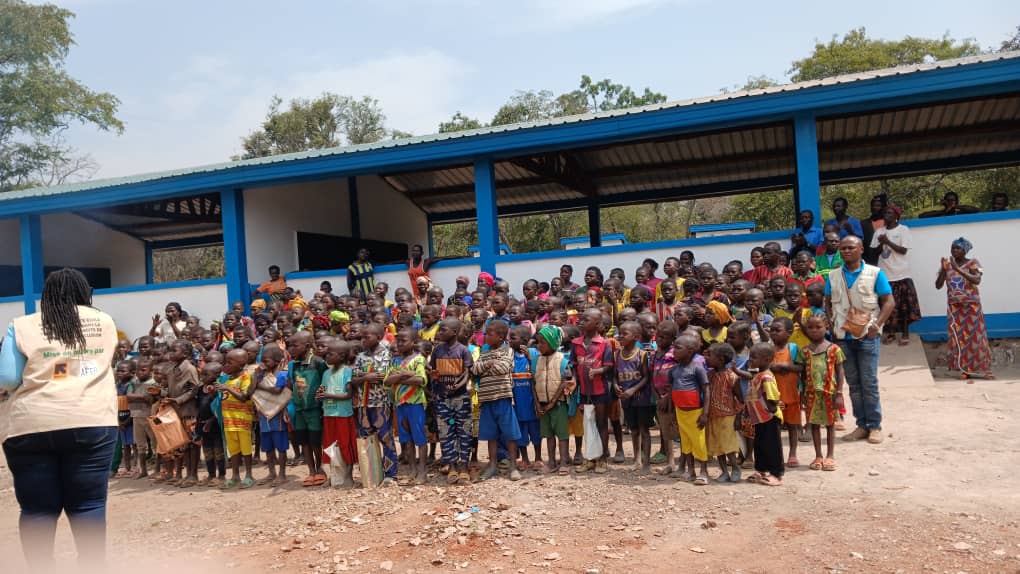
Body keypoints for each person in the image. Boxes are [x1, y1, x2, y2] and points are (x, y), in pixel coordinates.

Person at [0, 269, 119, 570]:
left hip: (31, 424)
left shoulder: (22, 325)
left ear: (47, 295)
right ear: (84, 292)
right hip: (92, 419)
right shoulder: (103, 321)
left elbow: (8, 378)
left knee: (37, 508)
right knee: (88, 505)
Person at [825, 235, 894, 445]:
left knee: (869, 382)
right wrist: (830, 323)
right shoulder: (833, 275)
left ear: (861, 249)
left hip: (866, 336)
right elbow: (827, 302)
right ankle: (861, 425)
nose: (846, 251)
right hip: (843, 336)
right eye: (843, 248)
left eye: (850, 248)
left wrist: (877, 325)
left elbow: (889, 302)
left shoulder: (875, 273)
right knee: (854, 384)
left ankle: (875, 426)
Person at [936, 237, 994, 380]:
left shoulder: (973, 263)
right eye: (952, 247)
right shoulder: (947, 265)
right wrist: (944, 270)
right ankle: (964, 369)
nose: (954, 250)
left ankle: (984, 369)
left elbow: (977, 280)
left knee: (977, 337)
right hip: (955, 308)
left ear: (965, 250)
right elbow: (938, 285)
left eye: (958, 248)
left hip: (972, 306)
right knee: (959, 338)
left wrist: (957, 269)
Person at [471, 320, 522, 481]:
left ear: (500, 337)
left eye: (490, 334)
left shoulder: (508, 351)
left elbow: (503, 368)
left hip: (503, 398)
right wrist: (490, 364)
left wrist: (485, 368)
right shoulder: (484, 352)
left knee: (510, 434)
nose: (486, 336)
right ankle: (492, 465)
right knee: (490, 435)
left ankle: (513, 466)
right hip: (486, 400)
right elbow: (474, 369)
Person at [796, 314, 846, 472]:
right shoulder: (805, 351)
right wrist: (802, 392)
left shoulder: (834, 349)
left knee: (830, 424)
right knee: (815, 424)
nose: (814, 330)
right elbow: (803, 374)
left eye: (818, 327)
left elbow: (840, 371)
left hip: (829, 393)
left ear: (826, 327)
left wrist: (839, 393)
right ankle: (818, 455)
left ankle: (830, 455)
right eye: (810, 327)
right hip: (812, 394)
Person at [569, 308, 615, 474]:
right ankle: (590, 458)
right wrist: (573, 378)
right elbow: (573, 365)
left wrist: (598, 371)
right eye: (581, 319)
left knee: (601, 423)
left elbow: (609, 367)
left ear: (596, 324)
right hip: (584, 391)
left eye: (586, 319)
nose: (581, 321)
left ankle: (602, 459)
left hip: (600, 390)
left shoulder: (604, 344)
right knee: (587, 424)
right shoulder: (576, 343)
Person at [428, 318, 474, 485]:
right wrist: (435, 379)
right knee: (446, 432)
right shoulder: (437, 351)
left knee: (464, 431)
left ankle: (464, 465)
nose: (439, 333)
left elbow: (467, 374)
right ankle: (452, 465)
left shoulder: (463, 351)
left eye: (443, 330)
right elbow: (434, 372)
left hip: (461, 398)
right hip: (442, 398)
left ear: (454, 332)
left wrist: (457, 386)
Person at [352, 323, 398, 484]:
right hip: (363, 405)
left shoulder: (388, 355)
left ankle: (390, 474)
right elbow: (354, 379)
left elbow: (387, 376)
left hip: (381, 403)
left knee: (385, 437)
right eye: (362, 337)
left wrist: (368, 376)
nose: (363, 340)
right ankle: (372, 473)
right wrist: (366, 377)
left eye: (367, 337)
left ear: (379, 337)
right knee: (367, 438)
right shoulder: (360, 357)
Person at [870, 205, 920, 346]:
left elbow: (903, 250)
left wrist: (887, 241)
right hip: (885, 275)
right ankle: (890, 333)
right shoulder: (879, 232)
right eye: (885, 212)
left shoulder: (903, 230)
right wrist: (881, 243)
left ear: (897, 215)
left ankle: (905, 333)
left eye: (889, 212)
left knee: (904, 306)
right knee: (887, 306)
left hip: (902, 274)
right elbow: (874, 253)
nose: (886, 215)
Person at [385, 328, 429, 484]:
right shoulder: (395, 361)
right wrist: (404, 375)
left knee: (420, 438)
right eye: (398, 341)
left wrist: (398, 377)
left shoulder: (418, 359)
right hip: (400, 404)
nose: (399, 344)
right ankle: (412, 470)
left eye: (404, 341)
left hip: (415, 403)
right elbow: (386, 381)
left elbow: (421, 380)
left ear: (414, 342)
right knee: (406, 438)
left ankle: (422, 472)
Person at [287, 330, 328, 486]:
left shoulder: (318, 363)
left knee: (316, 441)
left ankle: (320, 469)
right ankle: (311, 471)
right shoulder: (293, 365)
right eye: (289, 345)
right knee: (304, 441)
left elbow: (325, 382)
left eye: (295, 346)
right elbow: (290, 386)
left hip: (314, 409)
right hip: (299, 409)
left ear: (308, 346)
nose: (291, 349)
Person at [669, 335, 710, 485]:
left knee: (698, 442)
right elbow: (671, 392)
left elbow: (706, 390)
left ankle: (704, 471)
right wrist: (673, 414)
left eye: (678, 348)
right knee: (685, 442)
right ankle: (691, 470)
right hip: (680, 412)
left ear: (691, 351)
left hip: (695, 412)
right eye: (674, 347)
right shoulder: (673, 370)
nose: (674, 350)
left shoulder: (697, 368)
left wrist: (705, 413)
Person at [613, 321, 653, 473]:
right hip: (626, 399)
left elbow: (646, 377)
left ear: (636, 337)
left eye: (625, 334)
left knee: (644, 430)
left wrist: (633, 389)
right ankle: (636, 459)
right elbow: (615, 376)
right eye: (620, 333)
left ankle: (646, 462)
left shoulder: (642, 355)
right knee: (634, 430)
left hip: (641, 398)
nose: (620, 336)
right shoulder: (617, 355)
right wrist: (616, 386)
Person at [742, 342, 784, 486]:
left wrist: (771, 410)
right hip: (759, 418)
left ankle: (776, 474)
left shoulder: (766, 377)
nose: (750, 360)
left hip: (769, 417)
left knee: (772, 446)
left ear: (766, 359)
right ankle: (761, 470)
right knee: (760, 445)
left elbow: (772, 397)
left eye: (754, 357)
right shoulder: (757, 375)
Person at [318, 339, 357, 487]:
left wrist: (328, 395)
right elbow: (323, 389)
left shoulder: (347, 371)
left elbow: (348, 394)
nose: (326, 356)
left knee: (345, 444)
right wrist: (320, 394)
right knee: (330, 445)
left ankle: (348, 476)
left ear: (341, 356)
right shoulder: (326, 373)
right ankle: (334, 476)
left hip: (343, 414)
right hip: (329, 413)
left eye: (330, 354)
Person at [217, 348, 257, 489]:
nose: (226, 365)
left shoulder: (246, 377)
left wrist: (227, 389)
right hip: (229, 421)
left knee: (246, 449)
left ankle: (249, 475)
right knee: (233, 450)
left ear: (240, 364)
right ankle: (235, 476)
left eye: (229, 362)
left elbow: (244, 397)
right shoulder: (227, 379)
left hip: (242, 420)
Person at [767, 317, 801, 467]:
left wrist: (785, 366)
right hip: (773, 397)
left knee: (793, 426)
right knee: (775, 428)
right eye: (771, 330)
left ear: (788, 333)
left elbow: (801, 367)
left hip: (791, 395)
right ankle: (777, 454)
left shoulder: (793, 349)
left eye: (777, 330)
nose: (773, 333)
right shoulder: (767, 350)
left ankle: (793, 454)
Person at [253, 345, 290, 487]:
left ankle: (282, 474)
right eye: (262, 361)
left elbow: (276, 391)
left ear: (276, 361)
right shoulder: (261, 375)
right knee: (267, 446)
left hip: (277, 414)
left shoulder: (282, 375)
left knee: (280, 446)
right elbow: (251, 390)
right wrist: (256, 377)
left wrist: (258, 385)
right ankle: (271, 472)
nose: (263, 364)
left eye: (266, 361)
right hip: (264, 414)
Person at [704, 342, 741, 483]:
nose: (706, 358)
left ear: (720, 359)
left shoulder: (731, 376)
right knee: (717, 446)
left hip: (728, 415)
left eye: (709, 355)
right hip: (713, 416)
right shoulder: (709, 375)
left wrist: (738, 416)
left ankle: (736, 468)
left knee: (728, 445)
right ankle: (724, 471)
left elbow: (739, 397)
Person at [509, 325, 543, 472]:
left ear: (524, 340)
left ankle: (538, 457)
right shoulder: (509, 356)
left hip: (532, 403)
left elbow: (539, 373)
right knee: (520, 433)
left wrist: (530, 360)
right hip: (518, 402)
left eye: (513, 338)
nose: (509, 340)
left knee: (536, 432)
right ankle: (524, 458)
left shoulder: (535, 353)